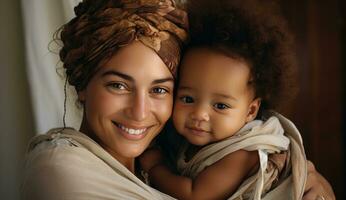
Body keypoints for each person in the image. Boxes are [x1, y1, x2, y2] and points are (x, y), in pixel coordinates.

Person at [20, 0, 335, 199]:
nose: (140, 112)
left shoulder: (175, 151)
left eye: (159, 89)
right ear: (82, 84)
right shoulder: (60, 170)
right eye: (118, 85)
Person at [139, 0, 335, 200]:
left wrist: (155, 166)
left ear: (250, 111)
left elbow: (194, 195)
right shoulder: (185, 137)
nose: (199, 114)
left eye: (221, 105)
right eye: (188, 98)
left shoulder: (242, 154)